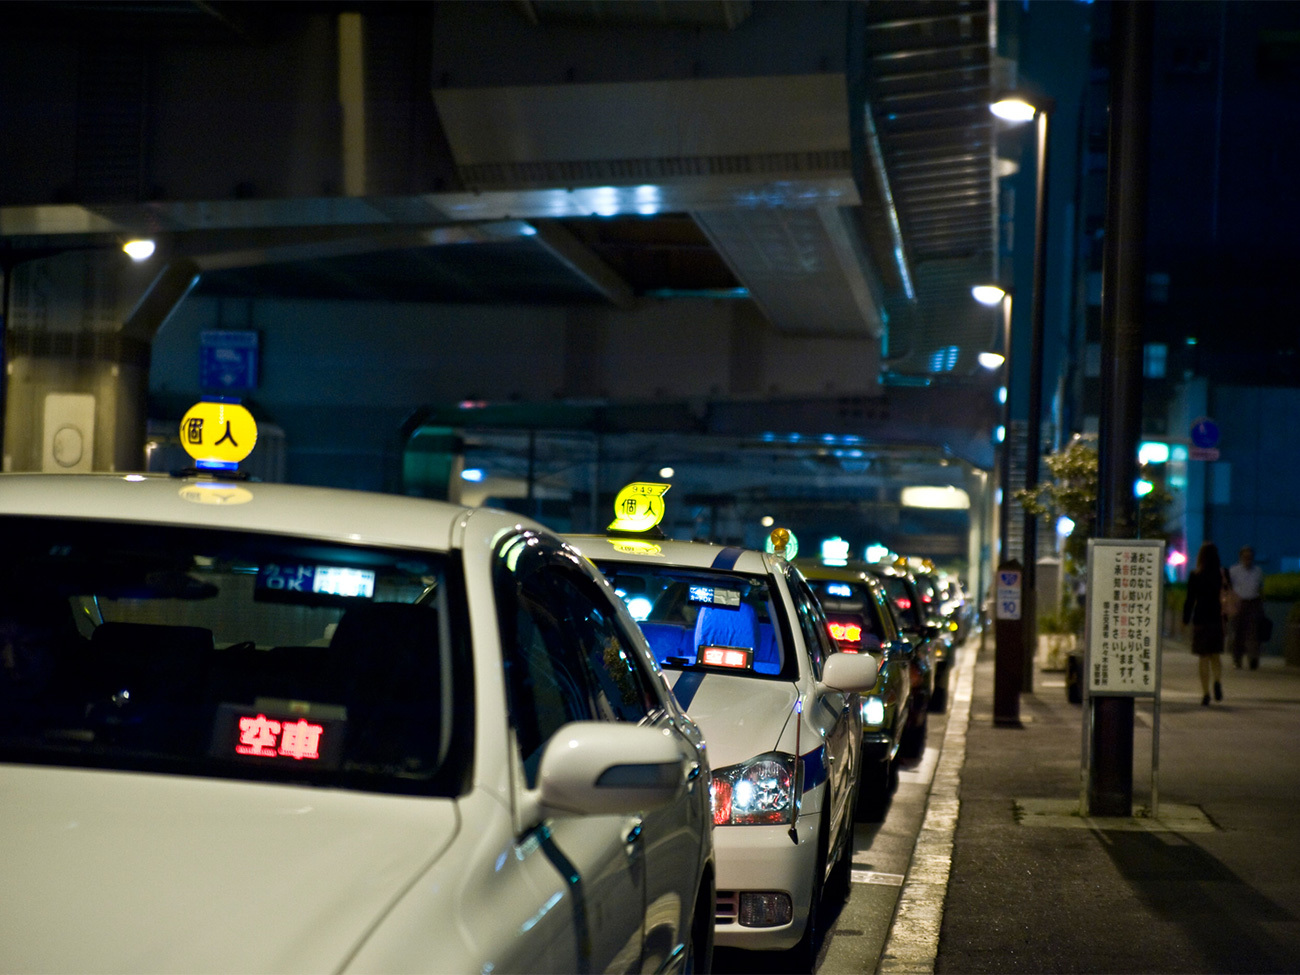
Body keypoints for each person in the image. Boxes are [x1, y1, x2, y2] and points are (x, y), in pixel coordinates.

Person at [1182, 541, 1226, 706]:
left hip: (1201, 618)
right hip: (1215, 618)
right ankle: (1218, 681)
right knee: (1215, 655)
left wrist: (1185, 620)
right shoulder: (1221, 574)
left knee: (1203, 657)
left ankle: (1206, 693)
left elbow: (1190, 600)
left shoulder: (1195, 575)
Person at [1228, 545, 1265, 669]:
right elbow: (1229, 589)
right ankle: (1237, 659)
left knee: (1254, 633)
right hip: (1239, 603)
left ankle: (1253, 659)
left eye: (1250, 556)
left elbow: (1260, 588)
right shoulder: (1234, 571)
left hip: (1253, 602)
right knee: (1238, 632)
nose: (1248, 559)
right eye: (1245, 556)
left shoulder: (1257, 571)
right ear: (1241, 557)